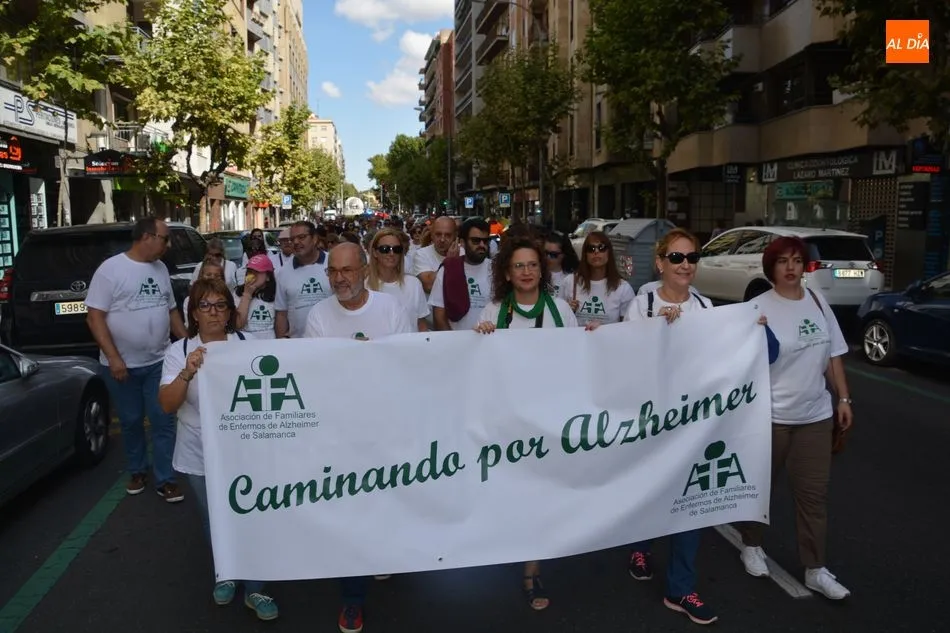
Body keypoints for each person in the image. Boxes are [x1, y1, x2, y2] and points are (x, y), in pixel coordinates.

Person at [301, 242, 412, 633]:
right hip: (340, 434)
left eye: (347, 270)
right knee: (348, 512)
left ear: (365, 271)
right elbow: (316, 374)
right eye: (332, 271)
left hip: (386, 430)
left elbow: (408, 364)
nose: (339, 278)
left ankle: (380, 553)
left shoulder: (391, 309)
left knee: (384, 503)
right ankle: (352, 599)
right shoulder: (318, 315)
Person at [737, 236, 853, 600]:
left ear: (805, 267)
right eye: (782, 261)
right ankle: (751, 545)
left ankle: (815, 569)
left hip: (815, 416)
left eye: (797, 261)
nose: (790, 268)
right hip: (770, 418)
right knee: (760, 488)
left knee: (813, 497)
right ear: (770, 267)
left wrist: (843, 397)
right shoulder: (757, 307)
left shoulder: (817, 302)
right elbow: (734, 357)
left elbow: (833, 354)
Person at [157, 278, 278, 621]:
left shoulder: (249, 344)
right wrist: (187, 373)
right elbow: (166, 405)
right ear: (193, 313)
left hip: (246, 452)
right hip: (199, 452)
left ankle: (256, 587)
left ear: (229, 311)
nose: (213, 312)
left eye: (220, 305)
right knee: (215, 518)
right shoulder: (179, 351)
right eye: (204, 305)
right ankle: (226, 573)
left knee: (252, 516)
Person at [473, 237, 581, 613]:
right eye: (518, 265)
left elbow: (579, 360)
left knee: (539, 496)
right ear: (506, 273)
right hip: (506, 422)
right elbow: (478, 368)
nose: (526, 271)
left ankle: (531, 571)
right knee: (510, 494)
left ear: (542, 270)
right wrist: (478, 339)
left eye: (533, 264)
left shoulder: (561, 311)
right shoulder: (493, 311)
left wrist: (594, 338)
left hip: (548, 422)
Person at [622, 228, 718, 625]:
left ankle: (681, 588)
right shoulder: (642, 305)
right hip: (651, 422)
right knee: (651, 492)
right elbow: (624, 358)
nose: (685, 265)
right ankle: (640, 546)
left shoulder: (706, 307)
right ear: (660, 263)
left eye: (692, 258)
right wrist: (657, 331)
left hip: (693, 423)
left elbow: (721, 357)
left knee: (690, 503)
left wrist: (753, 327)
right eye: (676, 258)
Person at [85, 217, 188, 501]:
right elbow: (94, 318)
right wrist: (114, 357)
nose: (168, 245)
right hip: (122, 367)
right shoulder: (111, 270)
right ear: (146, 237)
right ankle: (137, 470)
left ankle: (165, 478)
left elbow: (171, 311)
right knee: (130, 421)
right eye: (165, 238)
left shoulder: (161, 269)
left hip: (159, 362)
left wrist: (187, 343)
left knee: (163, 420)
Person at [429, 217, 493, 332]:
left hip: (491, 339)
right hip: (456, 340)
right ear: (462, 242)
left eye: (485, 241)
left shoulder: (496, 269)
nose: (482, 245)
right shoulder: (448, 269)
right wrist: (454, 341)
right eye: (476, 241)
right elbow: (439, 316)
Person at [559, 232, 635, 327]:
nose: (596, 252)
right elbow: (557, 319)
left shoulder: (623, 288)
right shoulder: (569, 282)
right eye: (591, 249)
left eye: (601, 248)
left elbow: (628, 327)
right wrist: (566, 310)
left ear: (609, 252)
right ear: (585, 254)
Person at [275, 221, 331, 338]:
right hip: (298, 343)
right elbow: (281, 313)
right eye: (292, 239)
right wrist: (280, 343)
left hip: (331, 339)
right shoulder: (283, 272)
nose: (295, 242)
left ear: (314, 239)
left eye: (301, 237)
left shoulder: (333, 263)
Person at [366, 228, 429, 331]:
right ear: (374, 252)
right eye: (385, 249)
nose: (391, 253)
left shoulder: (414, 284)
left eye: (397, 249)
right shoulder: (365, 285)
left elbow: (421, 324)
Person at [235, 254, 278, 339]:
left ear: (268, 277)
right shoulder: (237, 293)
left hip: (270, 343)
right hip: (246, 342)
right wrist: (247, 294)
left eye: (257, 271)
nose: (252, 275)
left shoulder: (276, 294)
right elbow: (238, 325)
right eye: (250, 271)